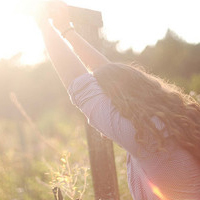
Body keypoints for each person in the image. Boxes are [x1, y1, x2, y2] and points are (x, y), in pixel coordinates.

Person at [35, 1, 200, 199]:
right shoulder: (176, 121)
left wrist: (43, 23)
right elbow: (116, 78)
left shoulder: (147, 136)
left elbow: (81, 85)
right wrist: (66, 29)